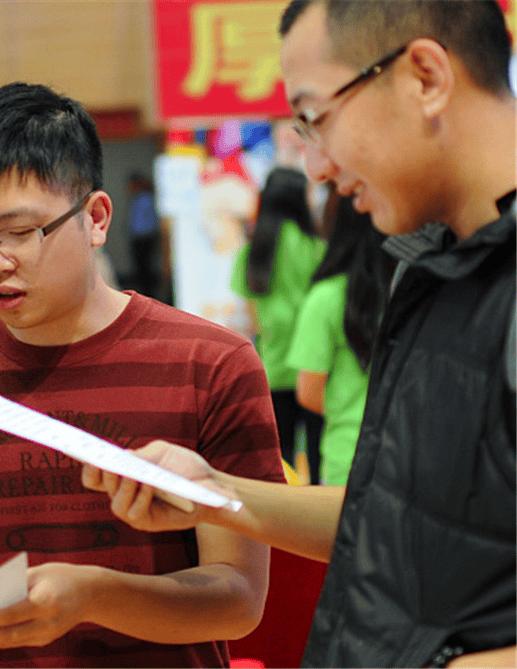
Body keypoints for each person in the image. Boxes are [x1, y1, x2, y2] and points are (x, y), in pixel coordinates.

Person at [86, 1, 515, 666]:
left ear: (426, 77)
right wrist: (215, 492)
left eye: (317, 119)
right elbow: (401, 517)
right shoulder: (432, 266)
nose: (317, 167)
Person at [0, 82, 284, 668]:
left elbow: (236, 600)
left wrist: (93, 597)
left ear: (94, 218)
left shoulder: (211, 365)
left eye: (19, 231)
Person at [287, 191, 394, 485]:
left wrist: (348, 409)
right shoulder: (415, 289)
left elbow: (308, 392)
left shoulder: (327, 297)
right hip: (405, 453)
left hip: (348, 455)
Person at [230, 166, 326, 481]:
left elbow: (252, 319)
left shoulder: (252, 252)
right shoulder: (314, 246)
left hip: (271, 366)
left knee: (279, 456)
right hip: (314, 366)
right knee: (316, 450)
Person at [126, 171, 161, 299]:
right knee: (140, 268)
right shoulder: (136, 199)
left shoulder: (146, 199)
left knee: (145, 268)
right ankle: (144, 294)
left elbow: (153, 221)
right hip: (138, 239)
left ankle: (149, 295)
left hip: (146, 239)